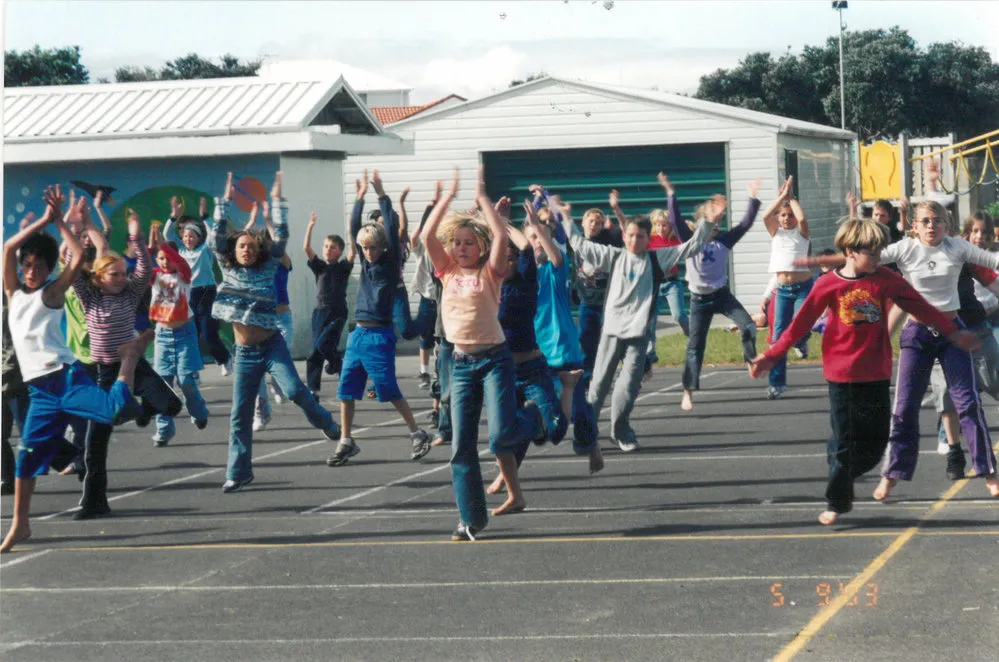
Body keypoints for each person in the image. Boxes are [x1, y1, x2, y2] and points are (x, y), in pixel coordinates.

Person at [750, 219, 978, 524]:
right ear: (850, 251)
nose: (878, 257)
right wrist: (771, 356)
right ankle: (837, 500)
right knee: (844, 440)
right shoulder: (827, 284)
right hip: (841, 376)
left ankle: (840, 470)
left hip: (876, 374)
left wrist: (953, 333)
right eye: (872, 252)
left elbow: (923, 308)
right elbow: (798, 326)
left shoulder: (885, 279)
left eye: (880, 251)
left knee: (874, 445)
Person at [802, 201, 999, 499]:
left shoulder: (957, 247)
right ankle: (891, 475)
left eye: (937, 221)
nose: (931, 226)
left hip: (951, 333)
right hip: (917, 335)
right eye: (925, 222)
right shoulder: (905, 249)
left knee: (968, 403)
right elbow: (870, 255)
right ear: (914, 226)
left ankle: (989, 472)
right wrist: (830, 260)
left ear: (946, 224)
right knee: (905, 408)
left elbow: (990, 259)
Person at [1, 187, 150, 553]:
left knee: (114, 412)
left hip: (66, 378)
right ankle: (21, 525)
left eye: (39, 266)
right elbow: (7, 249)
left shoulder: (50, 294)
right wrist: (42, 221)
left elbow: (79, 255)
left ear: (49, 269)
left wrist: (62, 224)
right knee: (26, 460)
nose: (32, 271)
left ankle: (129, 356)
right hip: (40, 392)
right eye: (28, 265)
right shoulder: (14, 294)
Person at [421, 168, 543, 540]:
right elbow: (427, 235)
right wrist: (448, 197)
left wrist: (482, 199)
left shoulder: (491, 272)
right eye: (457, 242)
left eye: (468, 242)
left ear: (481, 247)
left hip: (493, 360)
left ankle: (534, 419)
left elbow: (502, 240)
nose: (461, 247)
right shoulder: (446, 271)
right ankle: (471, 518)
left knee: (500, 437)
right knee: (461, 446)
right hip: (460, 365)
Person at [561, 181, 717, 454]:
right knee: (598, 386)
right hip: (611, 330)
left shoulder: (657, 259)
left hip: (638, 334)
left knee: (628, 386)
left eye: (640, 236)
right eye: (631, 235)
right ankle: (586, 434)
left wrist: (707, 222)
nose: (635, 240)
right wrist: (564, 217)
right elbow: (579, 244)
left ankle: (620, 431)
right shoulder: (613, 256)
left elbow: (690, 248)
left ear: (648, 239)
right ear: (624, 236)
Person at [210, 172, 341, 493]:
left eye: (251, 247)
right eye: (241, 246)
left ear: (257, 251)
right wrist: (223, 203)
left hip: (271, 346)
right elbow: (215, 236)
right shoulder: (227, 267)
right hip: (244, 354)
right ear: (233, 250)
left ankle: (325, 421)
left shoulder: (268, 267)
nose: (246, 250)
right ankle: (239, 472)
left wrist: (277, 200)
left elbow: (279, 235)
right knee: (239, 414)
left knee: (295, 391)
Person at [73, 208, 183, 519]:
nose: (121, 279)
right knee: (95, 444)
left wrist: (135, 237)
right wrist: (70, 225)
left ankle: (138, 409)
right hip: (105, 375)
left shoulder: (130, 294)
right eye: (114, 275)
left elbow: (145, 267)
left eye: (123, 274)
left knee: (172, 406)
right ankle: (94, 501)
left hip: (136, 366)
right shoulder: (89, 296)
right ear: (99, 277)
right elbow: (76, 259)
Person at [326, 170, 431, 467]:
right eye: (365, 248)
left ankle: (417, 432)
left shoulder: (390, 261)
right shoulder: (364, 260)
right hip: (358, 335)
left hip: (380, 336)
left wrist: (382, 194)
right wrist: (359, 199)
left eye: (373, 247)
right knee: (346, 390)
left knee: (388, 389)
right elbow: (353, 229)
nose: (369, 252)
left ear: (383, 247)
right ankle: (346, 440)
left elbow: (393, 224)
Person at [668, 173, 761, 411]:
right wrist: (671, 194)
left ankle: (750, 358)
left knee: (748, 325)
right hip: (699, 301)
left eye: (719, 220)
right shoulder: (689, 240)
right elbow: (676, 220)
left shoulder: (725, 240)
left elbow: (746, 223)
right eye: (711, 220)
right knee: (695, 346)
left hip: (722, 295)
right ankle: (688, 390)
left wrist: (752, 198)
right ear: (701, 222)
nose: (716, 224)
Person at [146, 227, 210, 446]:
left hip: (185, 334)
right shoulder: (154, 276)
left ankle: (199, 412)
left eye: (168, 258)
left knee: (186, 381)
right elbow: (143, 265)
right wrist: (150, 243)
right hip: (163, 334)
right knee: (163, 384)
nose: (165, 262)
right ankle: (164, 430)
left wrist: (163, 243)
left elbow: (178, 262)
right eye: (161, 258)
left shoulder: (184, 275)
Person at [164, 195, 233, 375]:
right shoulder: (179, 251)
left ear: (198, 237)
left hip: (207, 292)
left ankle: (224, 359)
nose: (188, 238)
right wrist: (173, 217)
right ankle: (192, 369)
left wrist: (205, 217)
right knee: (191, 334)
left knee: (208, 333)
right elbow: (167, 235)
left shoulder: (205, 250)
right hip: (187, 294)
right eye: (185, 235)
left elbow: (213, 235)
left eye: (192, 235)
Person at [763, 176, 812, 400]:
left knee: (802, 325)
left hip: (803, 287)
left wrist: (791, 198)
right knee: (778, 337)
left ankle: (801, 341)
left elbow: (801, 217)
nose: (786, 219)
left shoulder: (801, 233)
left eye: (789, 215)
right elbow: (765, 216)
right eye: (783, 215)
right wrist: (781, 197)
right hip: (782, 290)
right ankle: (777, 383)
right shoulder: (776, 234)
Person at [303, 212, 354, 395]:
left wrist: (350, 230)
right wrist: (310, 226)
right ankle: (313, 390)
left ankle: (335, 364)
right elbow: (306, 248)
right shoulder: (320, 267)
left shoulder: (343, 267)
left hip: (338, 312)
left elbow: (353, 252)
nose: (328, 250)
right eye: (325, 246)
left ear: (340, 251)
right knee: (314, 352)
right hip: (320, 312)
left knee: (324, 344)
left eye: (332, 247)